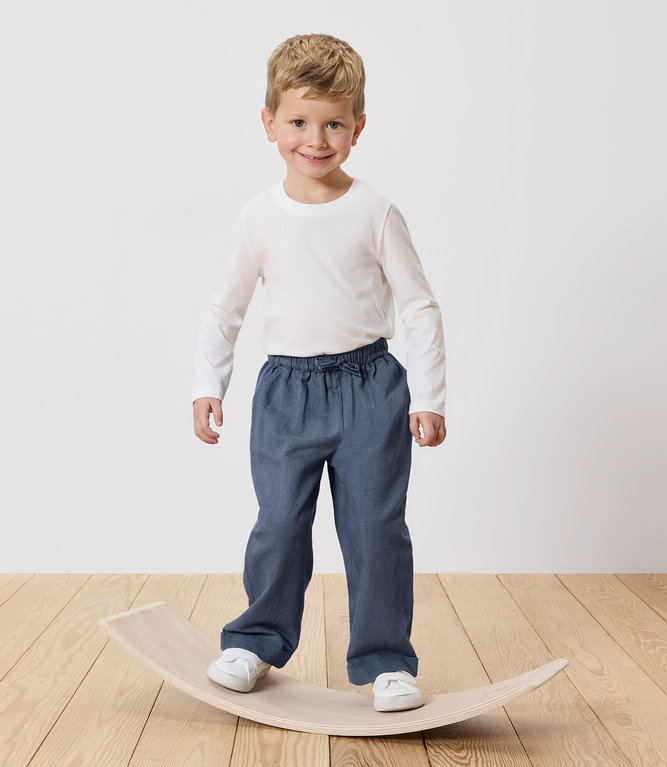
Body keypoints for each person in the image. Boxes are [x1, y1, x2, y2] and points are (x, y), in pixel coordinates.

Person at [191, 33, 446, 712]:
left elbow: (419, 308)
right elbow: (226, 308)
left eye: (335, 122)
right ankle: (256, 640)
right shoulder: (258, 217)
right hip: (286, 392)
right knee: (278, 522)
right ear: (269, 122)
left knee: (374, 526)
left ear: (358, 127)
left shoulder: (376, 211)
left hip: (371, 387)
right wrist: (205, 386)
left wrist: (429, 395)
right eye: (300, 121)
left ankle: (385, 658)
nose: (317, 137)